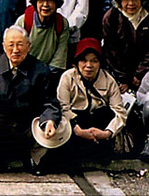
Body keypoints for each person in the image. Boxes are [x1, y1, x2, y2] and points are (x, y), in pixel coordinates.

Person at [0, 25, 62, 175]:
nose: (15, 50)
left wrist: (50, 120)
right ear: (4, 46)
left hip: (27, 124)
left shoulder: (40, 69)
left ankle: (33, 159)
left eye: (20, 44)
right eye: (11, 45)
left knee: (50, 125)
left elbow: (50, 102)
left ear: (29, 46)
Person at [50, 38, 127, 168]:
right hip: (74, 125)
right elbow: (63, 107)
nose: (88, 65)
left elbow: (120, 113)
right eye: (84, 60)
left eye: (94, 61)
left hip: (99, 127)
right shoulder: (68, 78)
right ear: (77, 62)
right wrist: (78, 130)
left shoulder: (109, 81)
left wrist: (107, 133)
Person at [102, 0, 149, 93]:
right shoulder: (111, 18)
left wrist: (139, 76)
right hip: (118, 73)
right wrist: (124, 79)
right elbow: (111, 51)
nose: (131, 3)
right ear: (119, 0)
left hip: (148, 72)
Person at [14, 0, 69, 72]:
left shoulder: (62, 24)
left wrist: (45, 75)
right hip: (24, 71)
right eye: (41, 0)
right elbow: (15, 52)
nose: (45, 5)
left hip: (49, 73)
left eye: (50, 0)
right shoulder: (23, 21)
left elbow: (59, 59)